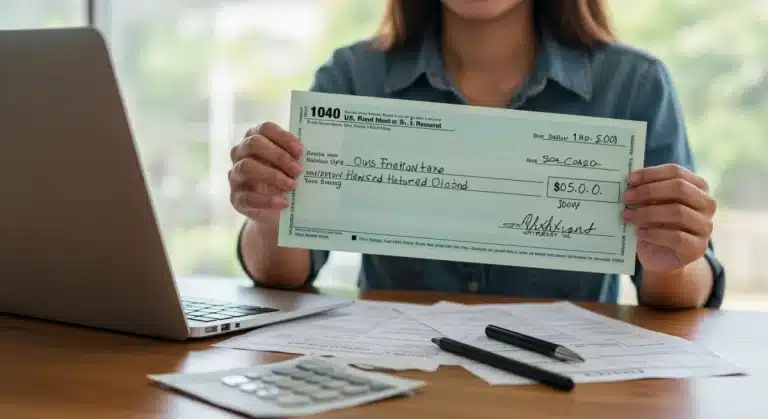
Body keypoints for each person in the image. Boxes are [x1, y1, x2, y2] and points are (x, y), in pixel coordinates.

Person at [228, 0, 725, 309]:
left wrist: (675, 260)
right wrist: (270, 217)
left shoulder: (635, 85)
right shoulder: (353, 77)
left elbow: (679, 290)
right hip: (393, 382)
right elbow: (282, 273)